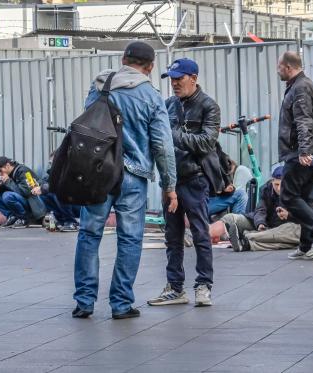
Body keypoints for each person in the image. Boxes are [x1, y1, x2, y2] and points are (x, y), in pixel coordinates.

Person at [72, 42, 177, 320]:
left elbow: (89, 127)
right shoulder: (151, 96)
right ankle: (120, 304)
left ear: (123, 59)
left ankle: (84, 301)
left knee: (89, 233)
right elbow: (163, 146)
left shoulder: (100, 85)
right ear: (151, 67)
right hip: (133, 177)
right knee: (130, 239)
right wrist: (169, 185)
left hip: (97, 173)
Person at [147, 58, 220, 307]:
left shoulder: (209, 106)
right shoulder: (168, 105)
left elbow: (206, 142)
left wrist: (171, 133)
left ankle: (203, 285)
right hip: (170, 179)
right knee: (172, 235)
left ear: (194, 78)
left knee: (200, 233)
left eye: (180, 78)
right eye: (172, 79)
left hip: (195, 178)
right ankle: (175, 287)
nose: (175, 83)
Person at [276, 51, 313, 260]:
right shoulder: (299, 86)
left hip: (302, 154)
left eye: (279, 66)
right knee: (304, 197)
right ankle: (306, 246)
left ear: (288, 67)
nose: (277, 70)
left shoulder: (300, 88)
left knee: (287, 196)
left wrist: (304, 150)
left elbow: (303, 120)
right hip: (309, 152)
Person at [221, 166, 301, 252]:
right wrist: (260, 223)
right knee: (230, 218)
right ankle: (230, 237)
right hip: (267, 225)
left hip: (284, 230)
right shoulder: (266, 189)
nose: (278, 189)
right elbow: (260, 209)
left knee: (293, 231)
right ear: (272, 181)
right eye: (276, 184)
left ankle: (245, 239)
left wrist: (289, 215)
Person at [0, 156, 46, 229]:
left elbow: (26, 193)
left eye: (0, 170)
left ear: (8, 165)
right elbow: (12, 188)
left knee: (7, 196)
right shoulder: (9, 174)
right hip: (21, 200)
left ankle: (23, 218)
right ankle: (12, 216)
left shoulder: (24, 171)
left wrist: (8, 181)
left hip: (32, 204)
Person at [33, 154, 81, 232]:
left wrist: (43, 188)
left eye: (52, 162)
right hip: (69, 204)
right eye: (50, 162)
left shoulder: (69, 171)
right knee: (43, 195)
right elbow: (47, 185)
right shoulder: (53, 173)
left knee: (59, 192)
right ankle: (62, 221)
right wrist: (38, 186)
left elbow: (63, 186)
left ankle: (71, 222)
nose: (50, 164)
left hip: (79, 205)